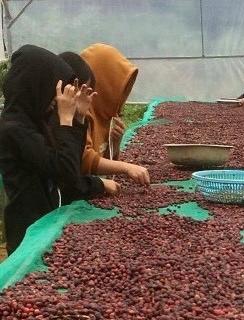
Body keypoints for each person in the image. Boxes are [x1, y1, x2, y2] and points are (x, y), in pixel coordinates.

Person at [0, 45, 93, 255]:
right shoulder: (15, 130)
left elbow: (72, 166)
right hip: (28, 236)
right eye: (53, 89)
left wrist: (78, 119)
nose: (55, 98)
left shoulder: (35, 122)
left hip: (43, 225)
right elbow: (66, 171)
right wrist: (66, 121)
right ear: (36, 85)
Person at [79, 44, 150, 186]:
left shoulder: (102, 112)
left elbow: (99, 162)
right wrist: (126, 168)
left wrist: (114, 144)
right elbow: (83, 159)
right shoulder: (81, 113)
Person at [57, 52, 120, 202]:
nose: (80, 96)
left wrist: (115, 144)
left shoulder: (82, 116)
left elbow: (78, 160)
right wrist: (100, 183)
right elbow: (71, 170)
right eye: (76, 90)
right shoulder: (53, 122)